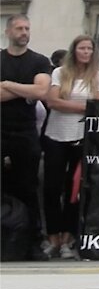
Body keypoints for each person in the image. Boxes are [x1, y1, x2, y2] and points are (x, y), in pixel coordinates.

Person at [41, 35, 99, 260]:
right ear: (74, 50)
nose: (86, 52)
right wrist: (82, 107)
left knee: (74, 190)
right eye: (82, 48)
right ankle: (52, 236)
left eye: (89, 49)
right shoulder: (60, 73)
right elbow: (52, 101)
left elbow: (97, 106)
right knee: (52, 187)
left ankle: (68, 238)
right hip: (56, 135)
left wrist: (69, 105)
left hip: (82, 137)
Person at [0, 15, 52, 260]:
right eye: (19, 28)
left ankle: (32, 241)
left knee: (28, 188)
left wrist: (8, 84)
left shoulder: (39, 61)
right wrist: (24, 89)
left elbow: (41, 90)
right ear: (8, 31)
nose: (24, 32)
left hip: (25, 132)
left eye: (27, 28)